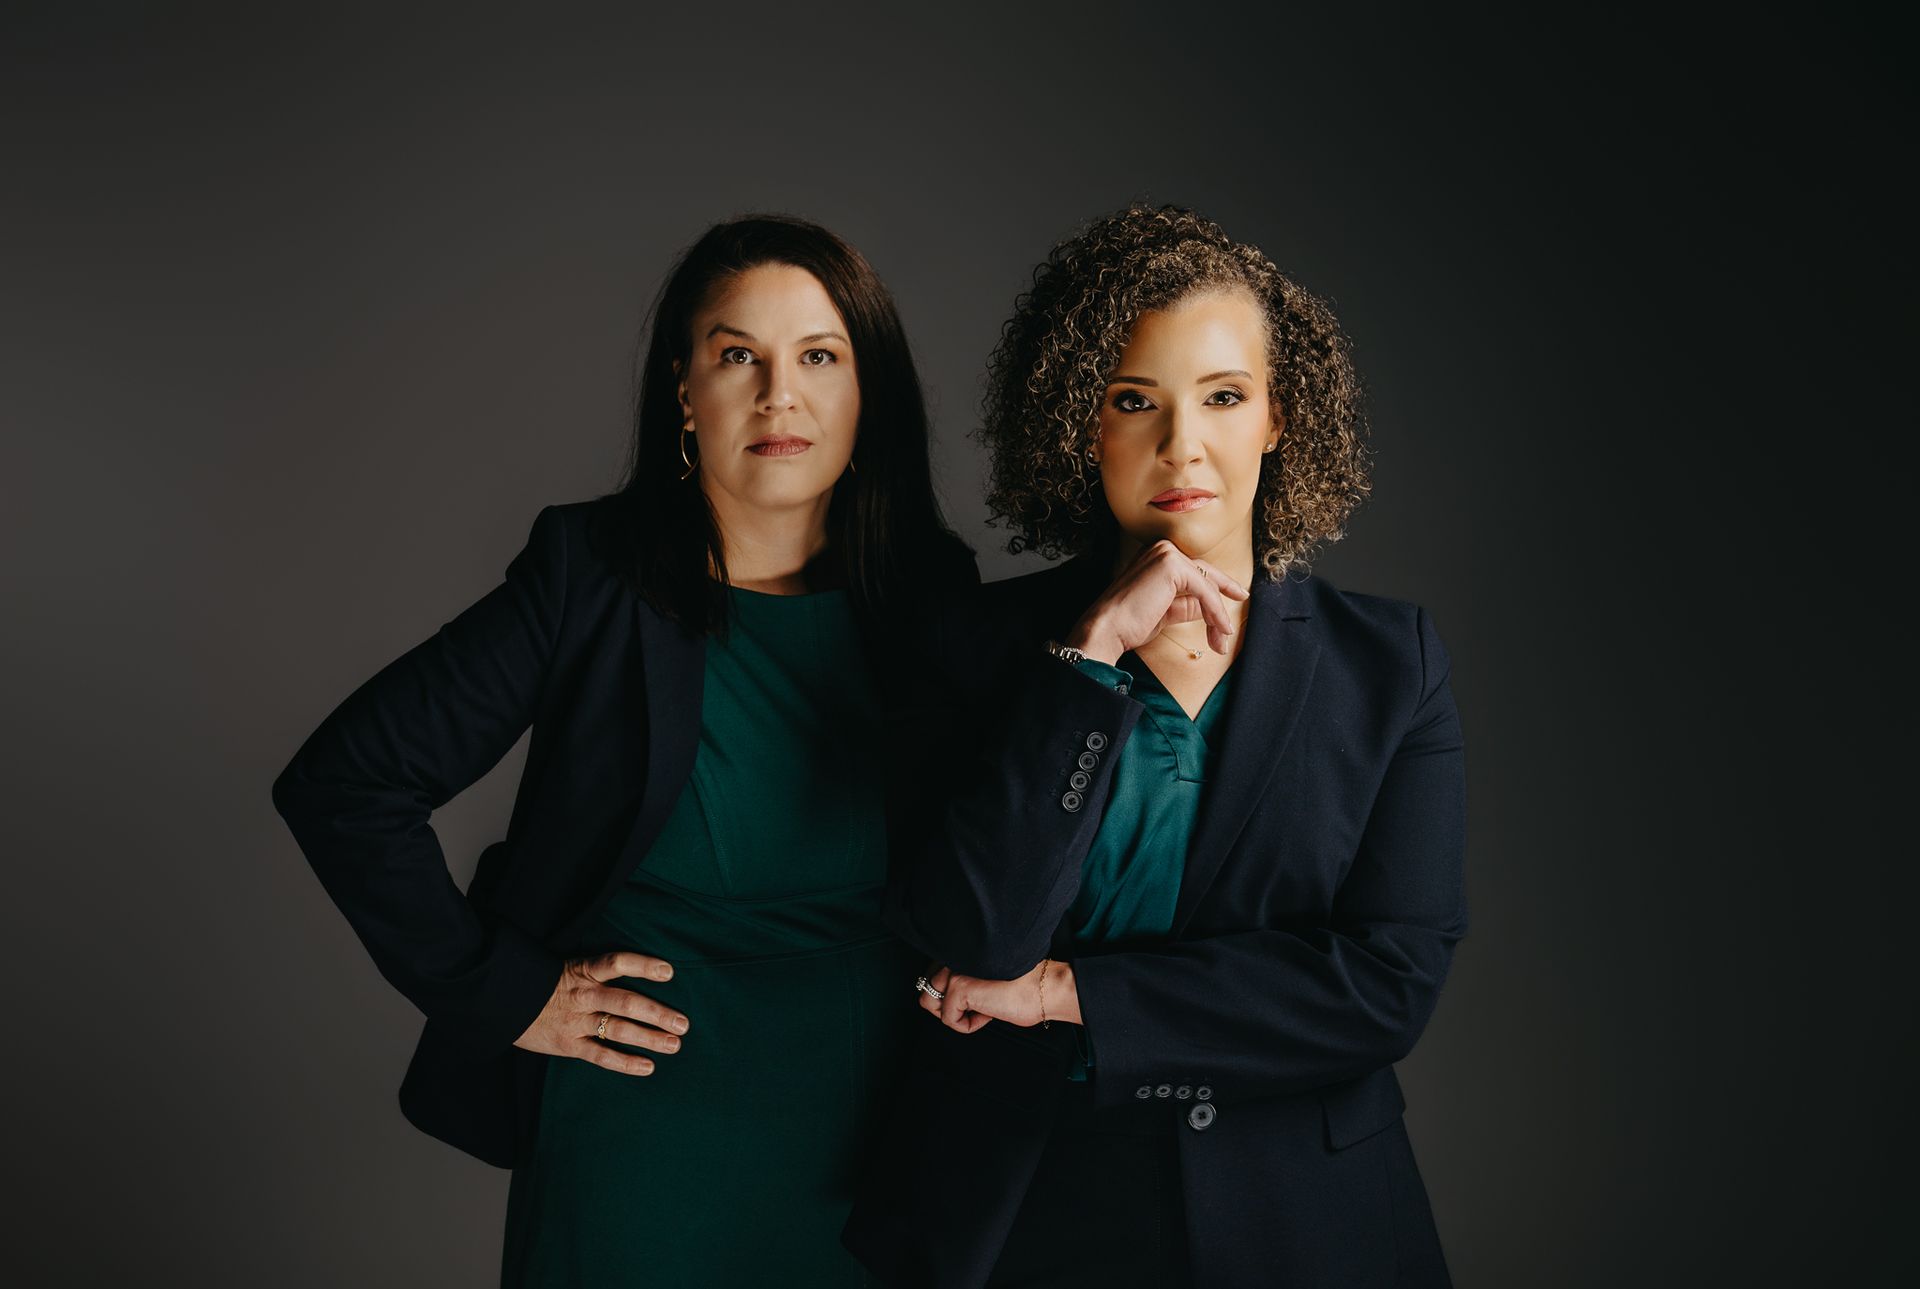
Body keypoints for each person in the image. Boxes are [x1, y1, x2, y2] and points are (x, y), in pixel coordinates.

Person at [272, 214, 974, 1287]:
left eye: (819, 357)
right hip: (644, 1132)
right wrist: (509, 992)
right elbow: (344, 783)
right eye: (737, 355)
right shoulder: (589, 575)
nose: (779, 393)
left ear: (866, 394)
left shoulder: (936, 595)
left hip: (879, 1135)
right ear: (682, 394)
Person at [843, 205, 1466, 1288]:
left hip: (1305, 1220)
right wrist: (1084, 663)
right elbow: (971, 935)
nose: (1184, 443)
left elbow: (1383, 986)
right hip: (1027, 1211)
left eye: (1223, 396)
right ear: (1081, 425)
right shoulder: (976, 646)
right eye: (1136, 400)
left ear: (1279, 415)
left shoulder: (1389, 664)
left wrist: (1065, 993)